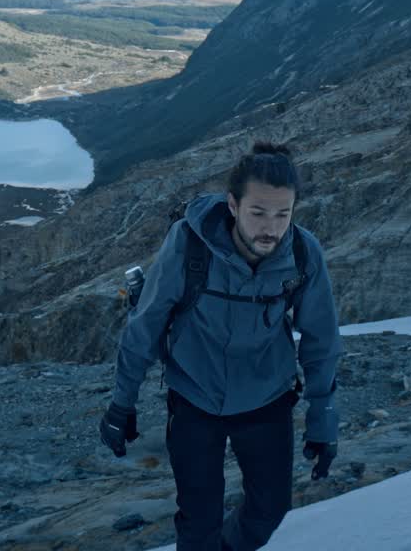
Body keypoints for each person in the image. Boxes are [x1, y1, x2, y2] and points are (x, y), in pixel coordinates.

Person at [99, 141, 343, 551]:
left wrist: (324, 421)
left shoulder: (303, 254)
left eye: (283, 214)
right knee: (198, 522)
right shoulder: (189, 244)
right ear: (233, 205)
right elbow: (147, 323)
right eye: (258, 212)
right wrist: (121, 403)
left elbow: (321, 340)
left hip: (268, 398)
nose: (271, 227)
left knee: (270, 509)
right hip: (195, 397)